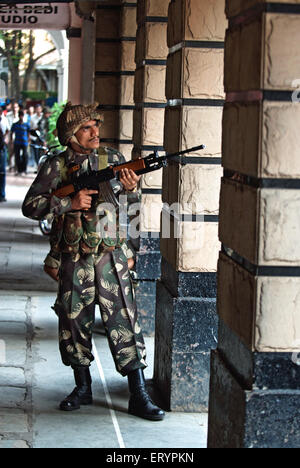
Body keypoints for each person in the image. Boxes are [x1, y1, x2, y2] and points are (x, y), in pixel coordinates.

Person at [22, 102, 165, 421]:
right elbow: (31, 206)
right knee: (73, 321)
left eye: (96, 126)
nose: (95, 132)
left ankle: (138, 392)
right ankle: (82, 386)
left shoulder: (112, 159)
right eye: (87, 128)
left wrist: (132, 191)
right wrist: (66, 203)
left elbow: (129, 207)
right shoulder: (55, 166)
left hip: (111, 254)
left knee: (125, 320)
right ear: (71, 135)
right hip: (73, 255)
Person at [11, 111, 30, 175]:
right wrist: (11, 142)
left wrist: (28, 140)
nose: (21, 117)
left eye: (22, 115)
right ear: (19, 116)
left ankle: (24, 169)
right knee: (17, 156)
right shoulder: (15, 124)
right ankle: (19, 170)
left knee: (25, 155)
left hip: (24, 142)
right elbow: (12, 132)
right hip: (17, 142)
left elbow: (28, 133)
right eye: (20, 115)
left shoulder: (26, 124)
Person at [0, 107, 9, 202]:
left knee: (2, 172)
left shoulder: (4, 120)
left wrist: (5, 138)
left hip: (2, 148)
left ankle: (2, 194)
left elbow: (7, 130)